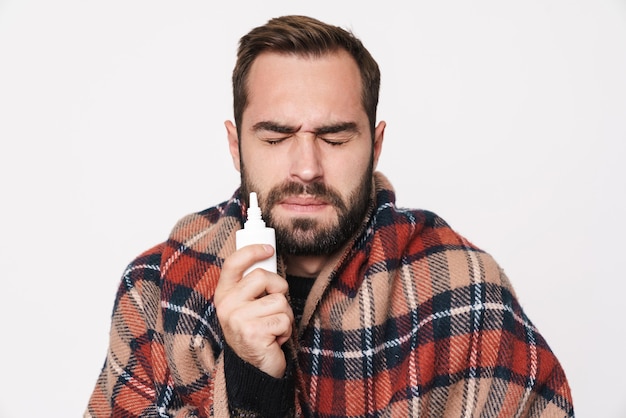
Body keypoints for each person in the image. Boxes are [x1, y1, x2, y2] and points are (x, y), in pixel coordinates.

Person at [85, 15, 574, 418]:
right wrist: (250, 380)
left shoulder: (464, 289)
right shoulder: (159, 287)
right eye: (275, 138)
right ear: (236, 146)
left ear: (375, 145)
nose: (306, 169)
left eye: (335, 138)